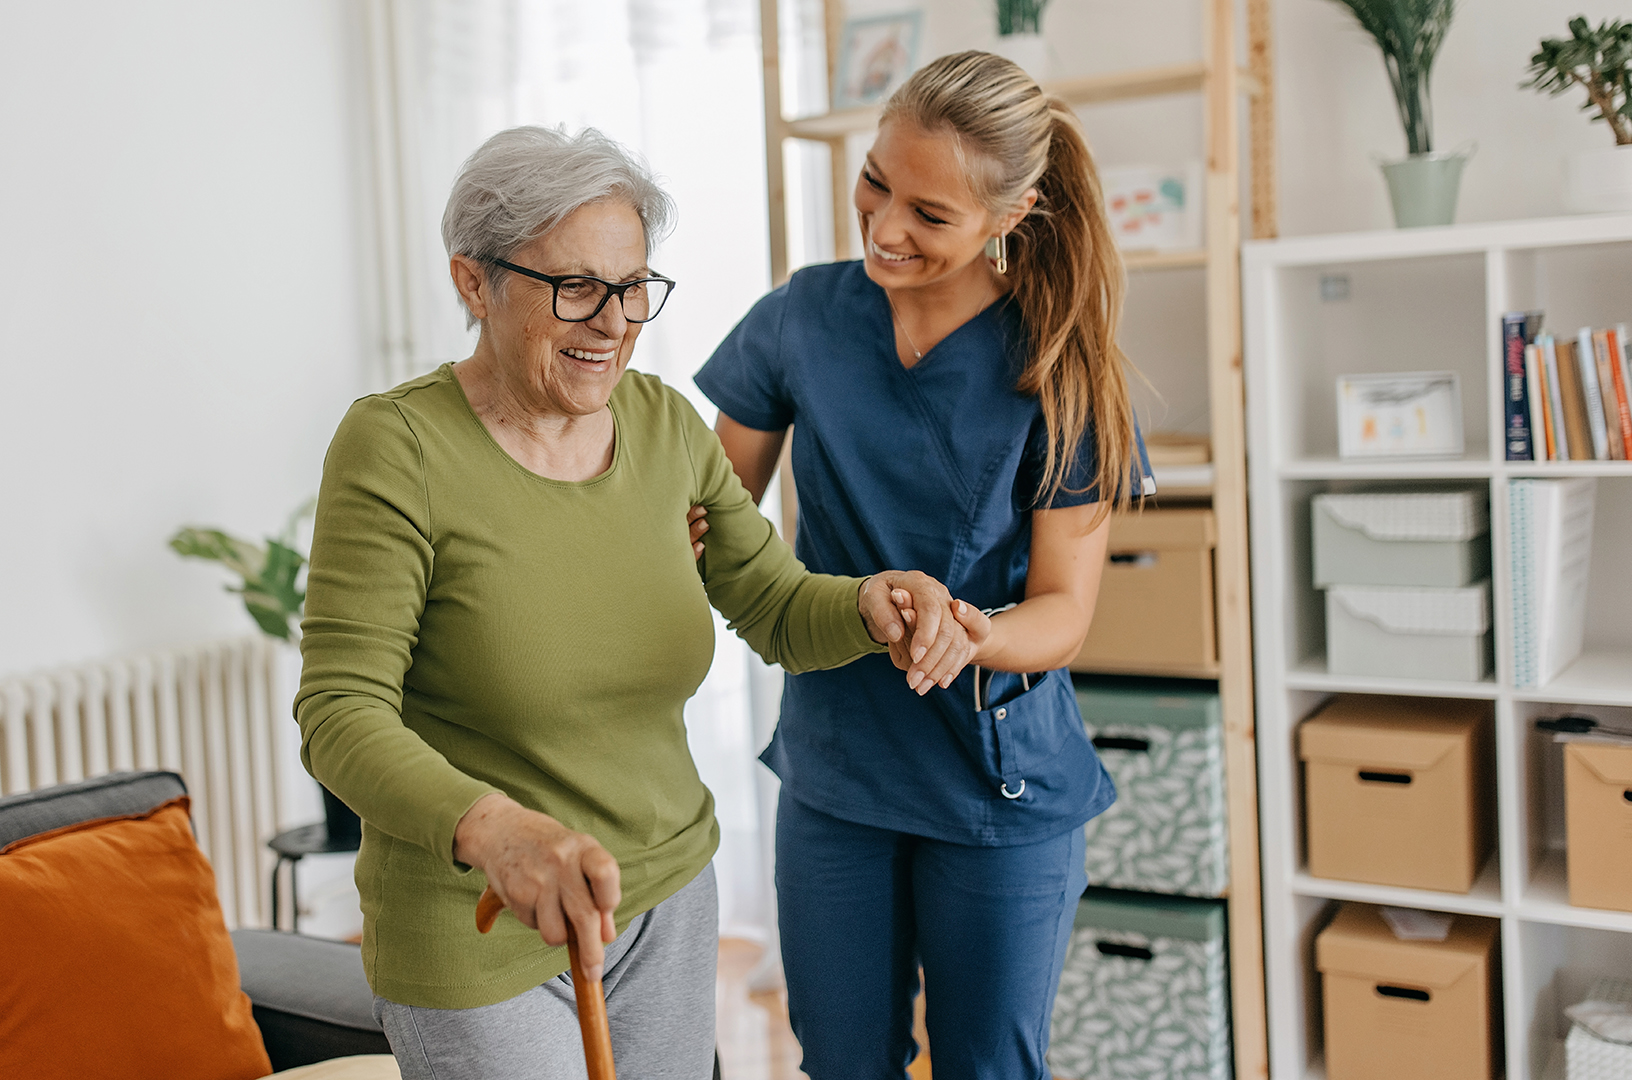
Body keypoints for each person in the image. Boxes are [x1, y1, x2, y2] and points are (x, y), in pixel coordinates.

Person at [294, 125, 979, 1080]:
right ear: (471, 282)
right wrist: (497, 832)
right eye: (575, 287)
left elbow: (774, 606)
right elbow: (339, 713)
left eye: (632, 289)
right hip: (482, 913)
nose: (613, 322)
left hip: (664, 896)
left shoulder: (662, 426)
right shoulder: (397, 447)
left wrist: (872, 602)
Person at [691, 51, 1151, 1080]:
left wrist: (977, 631)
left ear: (1013, 214)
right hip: (838, 774)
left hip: (998, 786)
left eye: (930, 215)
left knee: (990, 1069)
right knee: (842, 1065)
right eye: (875, 182)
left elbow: (1063, 611)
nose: (885, 227)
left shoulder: (1060, 362)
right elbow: (710, 519)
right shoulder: (801, 320)